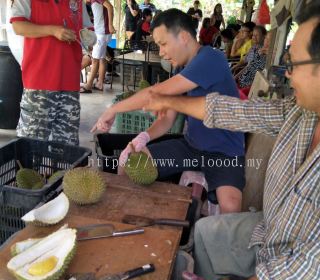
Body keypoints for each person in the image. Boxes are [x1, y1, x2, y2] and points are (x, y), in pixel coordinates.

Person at [143, 1, 320, 280]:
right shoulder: (301, 113)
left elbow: (311, 267)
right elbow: (235, 111)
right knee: (206, 232)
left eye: (294, 63)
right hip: (273, 238)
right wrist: (171, 102)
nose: (286, 73)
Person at [92, 9, 245, 214]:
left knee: (230, 205)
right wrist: (143, 137)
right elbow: (167, 118)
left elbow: (154, 93)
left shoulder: (211, 58)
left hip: (225, 153)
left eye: (163, 44)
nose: (161, 52)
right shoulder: (181, 68)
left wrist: (113, 110)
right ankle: (126, 220)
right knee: (129, 165)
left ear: (183, 37)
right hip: (192, 147)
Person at [10, 0, 92, 145]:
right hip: (39, 82)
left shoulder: (77, 2)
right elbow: (18, 26)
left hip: (70, 82)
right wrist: (53, 30)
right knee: (31, 143)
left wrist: (90, 38)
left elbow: (87, 28)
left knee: (67, 145)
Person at [80, 0, 116, 93]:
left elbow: (110, 7)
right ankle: (100, 83)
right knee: (102, 59)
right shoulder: (91, 2)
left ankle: (88, 85)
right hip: (102, 33)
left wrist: (111, 25)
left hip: (102, 33)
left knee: (95, 60)